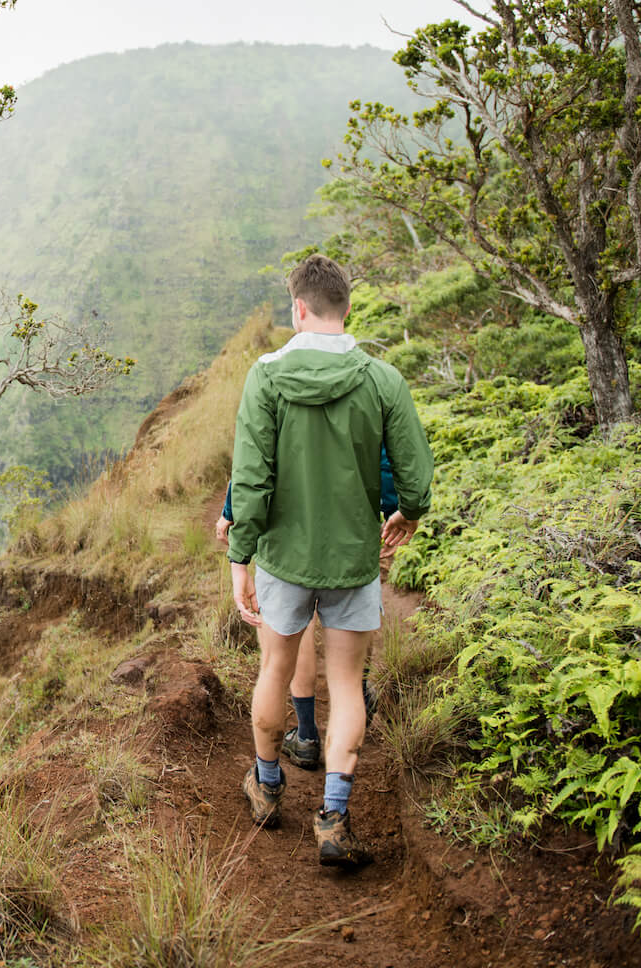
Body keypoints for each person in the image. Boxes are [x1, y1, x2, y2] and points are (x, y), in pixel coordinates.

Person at [227, 254, 432, 867]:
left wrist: (241, 559)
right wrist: (407, 514)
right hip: (352, 560)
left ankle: (266, 788)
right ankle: (334, 818)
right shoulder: (382, 380)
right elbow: (416, 477)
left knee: (275, 670)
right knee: (345, 685)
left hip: (282, 559)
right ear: (346, 309)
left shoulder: (264, 378)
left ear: (298, 308)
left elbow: (252, 481)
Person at [214, 444, 396, 770]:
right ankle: (359, 694)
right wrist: (393, 507)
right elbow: (385, 453)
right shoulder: (370, 390)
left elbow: (253, 458)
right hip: (354, 527)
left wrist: (231, 512)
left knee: (301, 624)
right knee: (356, 617)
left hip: (293, 529)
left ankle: (307, 735)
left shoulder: (275, 390)